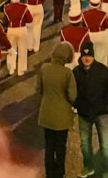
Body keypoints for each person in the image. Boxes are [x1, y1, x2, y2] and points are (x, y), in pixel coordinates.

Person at [73, 42, 108, 178]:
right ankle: (88, 167)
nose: (87, 59)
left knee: (105, 144)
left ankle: (106, 170)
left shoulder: (102, 70)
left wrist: (104, 101)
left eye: (89, 56)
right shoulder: (75, 73)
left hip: (101, 113)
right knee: (85, 144)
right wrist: (77, 104)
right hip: (84, 113)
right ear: (81, 56)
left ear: (93, 56)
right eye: (85, 56)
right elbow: (71, 90)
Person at [37, 43, 77, 178]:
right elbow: (72, 95)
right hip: (62, 116)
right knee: (60, 146)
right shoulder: (67, 73)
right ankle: (59, 172)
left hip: (46, 112)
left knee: (49, 144)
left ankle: (49, 171)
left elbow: (39, 89)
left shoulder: (44, 68)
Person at [3, 0, 33, 76]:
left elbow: (5, 21)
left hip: (11, 30)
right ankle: (21, 69)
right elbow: (30, 19)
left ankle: (11, 68)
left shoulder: (6, 8)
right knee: (22, 50)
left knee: (12, 50)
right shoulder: (23, 7)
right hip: (22, 30)